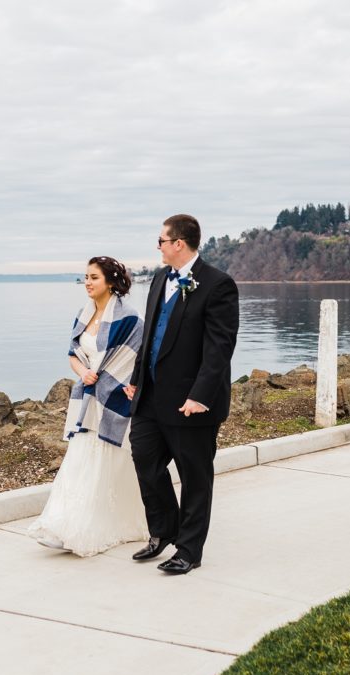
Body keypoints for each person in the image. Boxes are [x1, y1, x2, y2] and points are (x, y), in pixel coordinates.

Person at [124, 214, 239, 575]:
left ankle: (189, 550)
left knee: (194, 477)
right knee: (145, 460)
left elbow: (220, 347)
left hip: (192, 402)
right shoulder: (160, 279)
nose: (157, 246)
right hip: (151, 396)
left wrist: (200, 395)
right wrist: (135, 378)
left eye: (160, 240)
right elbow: (150, 337)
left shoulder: (218, 285)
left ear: (178, 244)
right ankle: (162, 531)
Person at [28, 256, 149, 556]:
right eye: (85, 277)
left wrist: (125, 383)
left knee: (107, 462)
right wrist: (83, 373)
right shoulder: (83, 315)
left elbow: (139, 357)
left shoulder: (129, 318)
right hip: (86, 398)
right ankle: (64, 524)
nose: (87, 283)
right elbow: (73, 353)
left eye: (94, 277)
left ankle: (98, 525)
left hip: (113, 398)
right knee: (80, 459)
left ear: (110, 281)